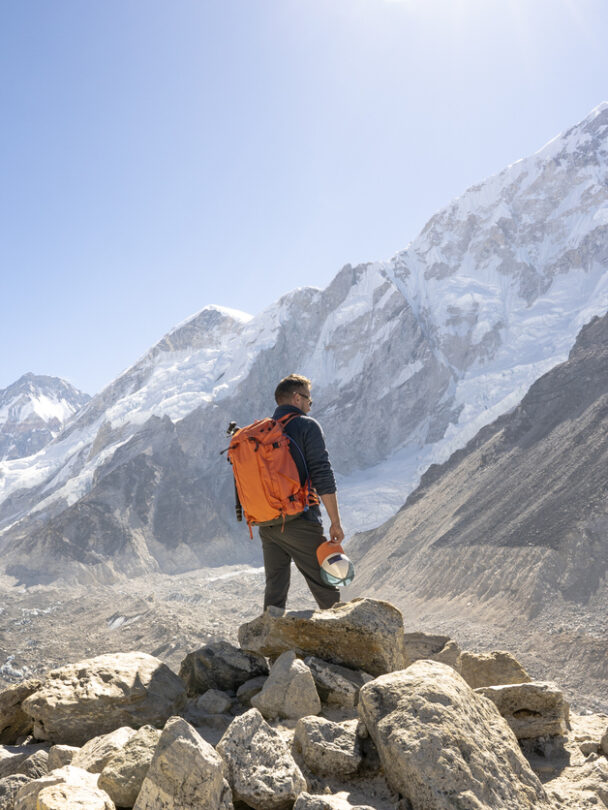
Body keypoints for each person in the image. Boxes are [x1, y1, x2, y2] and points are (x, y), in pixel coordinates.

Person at [259, 373, 345, 611]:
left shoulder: (262, 432)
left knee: (275, 592)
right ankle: (349, 643)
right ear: (296, 398)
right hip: (300, 520)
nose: (310, 404)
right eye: (308, 399)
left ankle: (268, 644)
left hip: (267, 523)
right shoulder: (307, 425)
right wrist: (335, 522)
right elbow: (322, 474)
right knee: (325, 586)